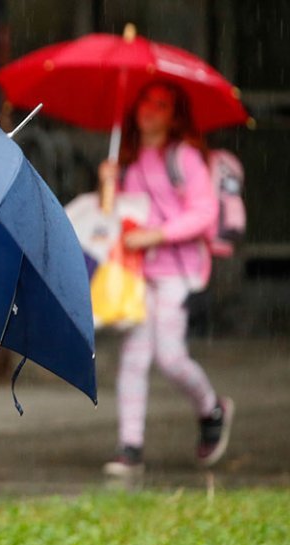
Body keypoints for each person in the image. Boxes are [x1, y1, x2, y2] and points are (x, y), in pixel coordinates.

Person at [99, 81, 234, 478]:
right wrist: (108, 181)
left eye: (161, 105)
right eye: (145, 101)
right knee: (134, 358)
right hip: (139, 273)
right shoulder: (129, 160)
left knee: (171, 357)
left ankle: (211, 408)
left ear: (174, 116)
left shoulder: (185, 157)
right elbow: (113, 217)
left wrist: (157, 234)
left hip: (179, 273)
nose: (149, 110)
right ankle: (130, 447)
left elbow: (204, 213)